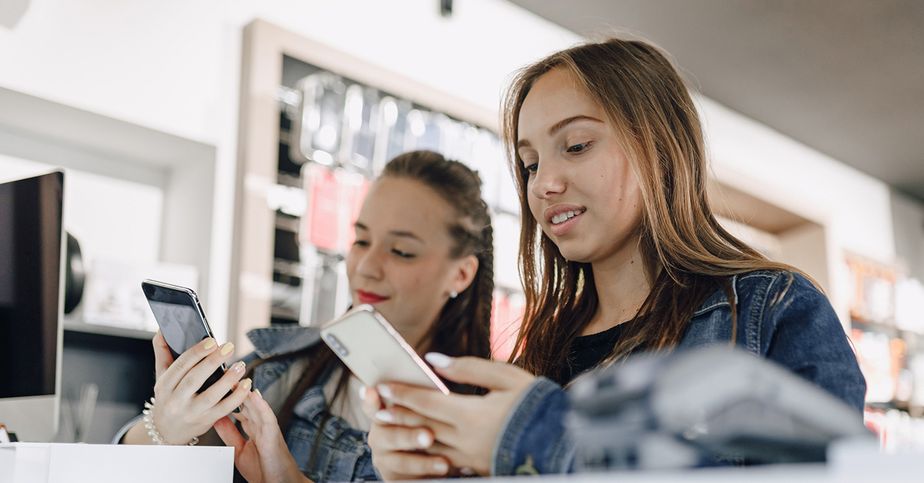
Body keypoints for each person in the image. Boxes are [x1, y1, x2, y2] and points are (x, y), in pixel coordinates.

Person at [360, 38, 867, 479]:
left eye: (576, 146)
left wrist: (540, 436)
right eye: (530, 163)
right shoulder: (538, 351)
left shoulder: (771, 310)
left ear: (660, 148)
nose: (544, 184)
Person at [117, 150, 495, 482]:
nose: (366, 266)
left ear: (460, 273)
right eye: (361, 240)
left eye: (400, 251)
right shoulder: (280, 370)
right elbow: (119, 467)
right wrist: (163, 429)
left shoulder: (491, 422)